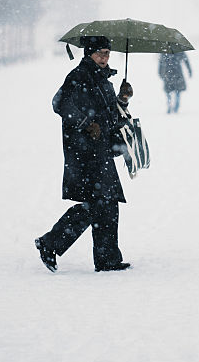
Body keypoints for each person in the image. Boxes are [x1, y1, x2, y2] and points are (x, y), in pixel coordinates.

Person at [35, 35, 134, 273]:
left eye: (107, 53)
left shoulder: (105, 81)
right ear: (88, 53)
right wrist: (84, 122)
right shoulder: (78, 76)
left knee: (105, 204)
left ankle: (106, 258)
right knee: (99, 204)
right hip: (83, 151)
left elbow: (111, 116)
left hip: (101, 150)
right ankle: (51, 243)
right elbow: (59, 103)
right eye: (100, 53)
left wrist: (123, 99)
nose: (104, 58)